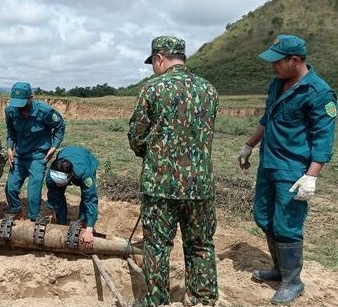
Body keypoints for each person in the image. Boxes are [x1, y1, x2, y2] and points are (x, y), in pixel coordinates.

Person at [237, 35, 336, 304]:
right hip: (268, 164)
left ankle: (293, 281)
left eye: (277, 62)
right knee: (263, 217)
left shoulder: (318, 92)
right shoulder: (276, 84)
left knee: (287, 225)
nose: (273, 66)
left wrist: (311, 176)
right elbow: (267, 119)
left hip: (293, 171)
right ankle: (279, 270)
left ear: (295, 60)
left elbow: (323, 138)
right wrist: (249, 145)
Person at [128, 36, 219, 307]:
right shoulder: (210, 89)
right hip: (200, 185)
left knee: (157, 246)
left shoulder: (152, 89)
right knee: (201, 244)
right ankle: (203, 300)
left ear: (159, 59)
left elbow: (136, 136)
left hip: (160, 185)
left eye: (153, 63)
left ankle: (156, 301)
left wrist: (153, 153)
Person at [4, 81, 66, 221]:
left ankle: (33, 217)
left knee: (33, 192)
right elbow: (11, 130)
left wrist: (54, 146)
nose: (21, 109)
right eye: (17, 105)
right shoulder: (10, 111)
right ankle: (16, 210)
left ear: (31, 98)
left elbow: (60, 125)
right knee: (10, 188)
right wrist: (9, 147)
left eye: (24, 104)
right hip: (19, 155)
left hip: (38, 156)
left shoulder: (44, 111)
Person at [45, 145, 99, 250]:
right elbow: (54, 196)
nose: (58, 185)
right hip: (66, 152)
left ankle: (84, 223)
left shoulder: (84, 174)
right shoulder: (51, 176)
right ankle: (61, 221)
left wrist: (89, 230)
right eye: (57, 182)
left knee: (86, 198)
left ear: (70, 177)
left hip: (85, 158)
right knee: (57, 196)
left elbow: (91, 200)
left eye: (61, 183)